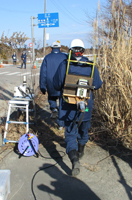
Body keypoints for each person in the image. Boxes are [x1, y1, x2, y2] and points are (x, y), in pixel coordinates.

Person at [53, 39, 102, 176]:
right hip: (86, 105)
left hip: (68, 106)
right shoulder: (91, 66)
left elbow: (56, 84)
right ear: (83, 50)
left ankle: (74, 160)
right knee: (83, 127)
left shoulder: (65, 65)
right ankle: (80, 151)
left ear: (70, 50)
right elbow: (97, 85)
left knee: (70, 133)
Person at [39, 41, 67, 120]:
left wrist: (43, 87)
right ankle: (61, 122)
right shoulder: (65, 57)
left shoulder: (47, 58)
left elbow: (43, 73)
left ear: (51, 48)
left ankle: (54, 108)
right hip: (62, 83)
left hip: (50, 83)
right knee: (63, 102)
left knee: (52, 98)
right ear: (60, 48)